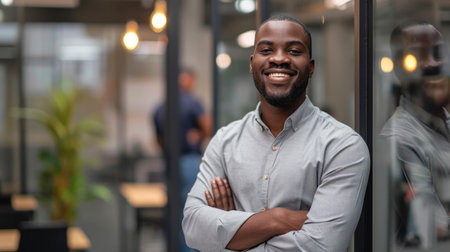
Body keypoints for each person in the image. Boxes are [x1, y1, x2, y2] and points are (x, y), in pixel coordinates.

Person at [182, 15, 370, 251]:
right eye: (267, 50)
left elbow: (321, 247)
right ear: (252, 64)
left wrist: (232, 234)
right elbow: (192, 227)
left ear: (310, 67)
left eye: (293, 51)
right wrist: (278, 219)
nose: (279, 58)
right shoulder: (224, 141)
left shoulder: (342, 146)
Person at [379, 21, 450, 249]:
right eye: (418, 55)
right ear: (400, 70)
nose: (432, 63)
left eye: (437, 53)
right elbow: (435, 231)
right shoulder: (399, 139)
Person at [153, 69, 211, 252]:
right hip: (188, 163)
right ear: (187, 81)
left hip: (169, 163)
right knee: (190, 211)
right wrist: (198, 135)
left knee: (173, 211)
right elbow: (208, 126)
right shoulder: (193, 103)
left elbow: (158, 141)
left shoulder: (161, 107)